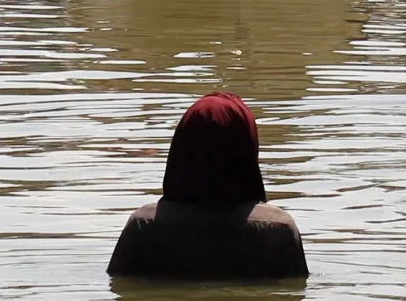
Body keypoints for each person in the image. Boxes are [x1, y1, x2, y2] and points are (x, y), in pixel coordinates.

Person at [107, 93, 309, 279]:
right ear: (246, 150)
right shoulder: (278, 229)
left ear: (182, 149)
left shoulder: (143, 226)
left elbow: (121, 294)